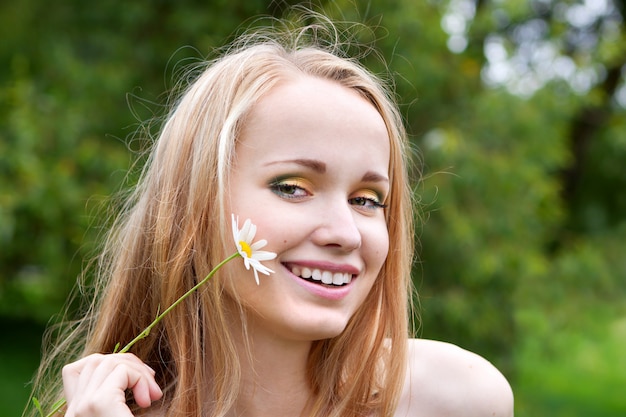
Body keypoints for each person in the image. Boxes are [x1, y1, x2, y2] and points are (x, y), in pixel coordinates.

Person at [26, 13, 513, 417]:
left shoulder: (454, 399)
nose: (346, 234)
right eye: (293, 188)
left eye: (367, 199)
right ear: (192, 208)